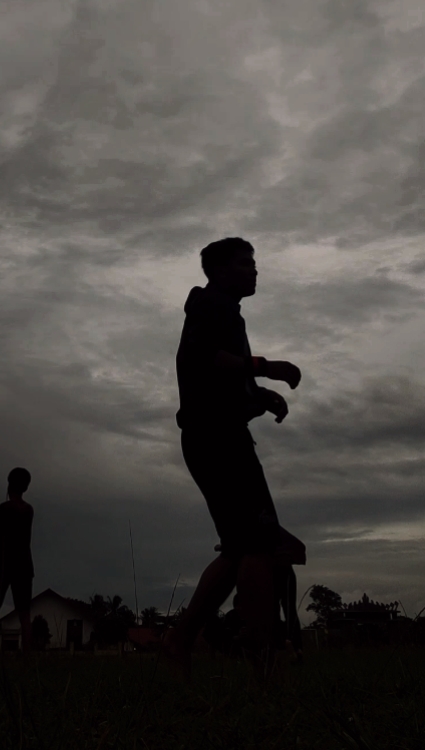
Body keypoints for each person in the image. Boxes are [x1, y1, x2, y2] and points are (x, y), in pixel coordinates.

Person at [164, 237, 302, 677]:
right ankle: (262, 660)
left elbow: (218, 377)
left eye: (254, 263)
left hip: (214, 436)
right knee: (261, 546)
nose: (254, 270)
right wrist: (267, 367)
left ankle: (179, 643)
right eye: (245, 264)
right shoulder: (212, 304)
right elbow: (207, 359)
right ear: (219, 271)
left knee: (241, 548)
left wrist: (260, 396)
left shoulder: (223, 311)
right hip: (217, 438)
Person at [0, 468, 34, 652]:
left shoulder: (5, 508)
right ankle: (27, 656)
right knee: (24, 614)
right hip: (24, 565)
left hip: (4, 565)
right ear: (25, 487)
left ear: (10, 484)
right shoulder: (28, 510)